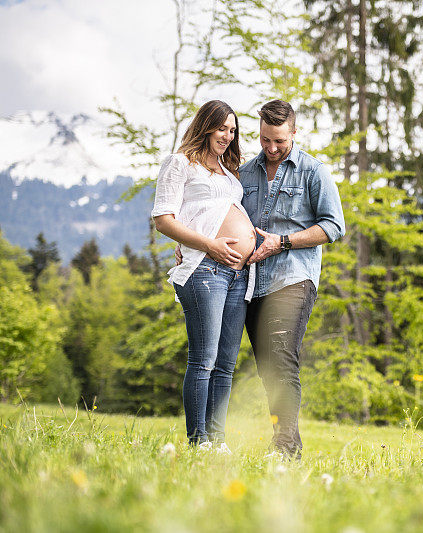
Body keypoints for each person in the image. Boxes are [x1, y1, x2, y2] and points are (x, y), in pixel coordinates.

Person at [179, 99, 346, 460]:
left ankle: (286, 448)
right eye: (265, 140)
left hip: (293, 276)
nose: (271, 148)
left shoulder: (313, 172)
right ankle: (271, 442)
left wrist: (281, 242)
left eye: (279, 142)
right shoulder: (245, 172)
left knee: (280, 356)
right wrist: (189, 243)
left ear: (294, 133)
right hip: (250, 282)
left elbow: (334, 226)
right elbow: (216, 209)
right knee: (264, 365)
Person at [152, 100, 257, 452]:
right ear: (206, 126)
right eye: (221, 128)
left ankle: (217, 441)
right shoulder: (180, 163)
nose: (227, 136)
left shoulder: (229, 173)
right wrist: (208, 244)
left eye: (232, 130)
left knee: (226, 363)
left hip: (239, 274)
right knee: (204, 359)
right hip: (205, 269)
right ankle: (199, 442)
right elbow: (164, 218)